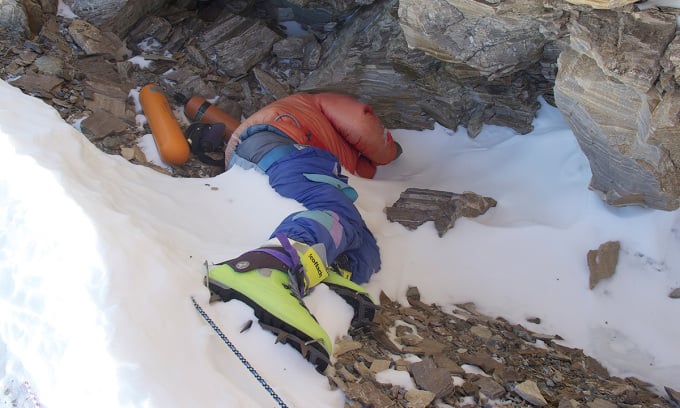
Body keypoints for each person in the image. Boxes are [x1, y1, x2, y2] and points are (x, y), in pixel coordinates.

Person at [205, 93, 402, 372]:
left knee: (363, 246)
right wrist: (391, 151)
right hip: (276, 146)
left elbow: (359, 166)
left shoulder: (331, 142)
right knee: (337, 216)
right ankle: (267, 267)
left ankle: (322, 270)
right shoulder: (315, 102)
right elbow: (361, 121)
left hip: (260, 158)